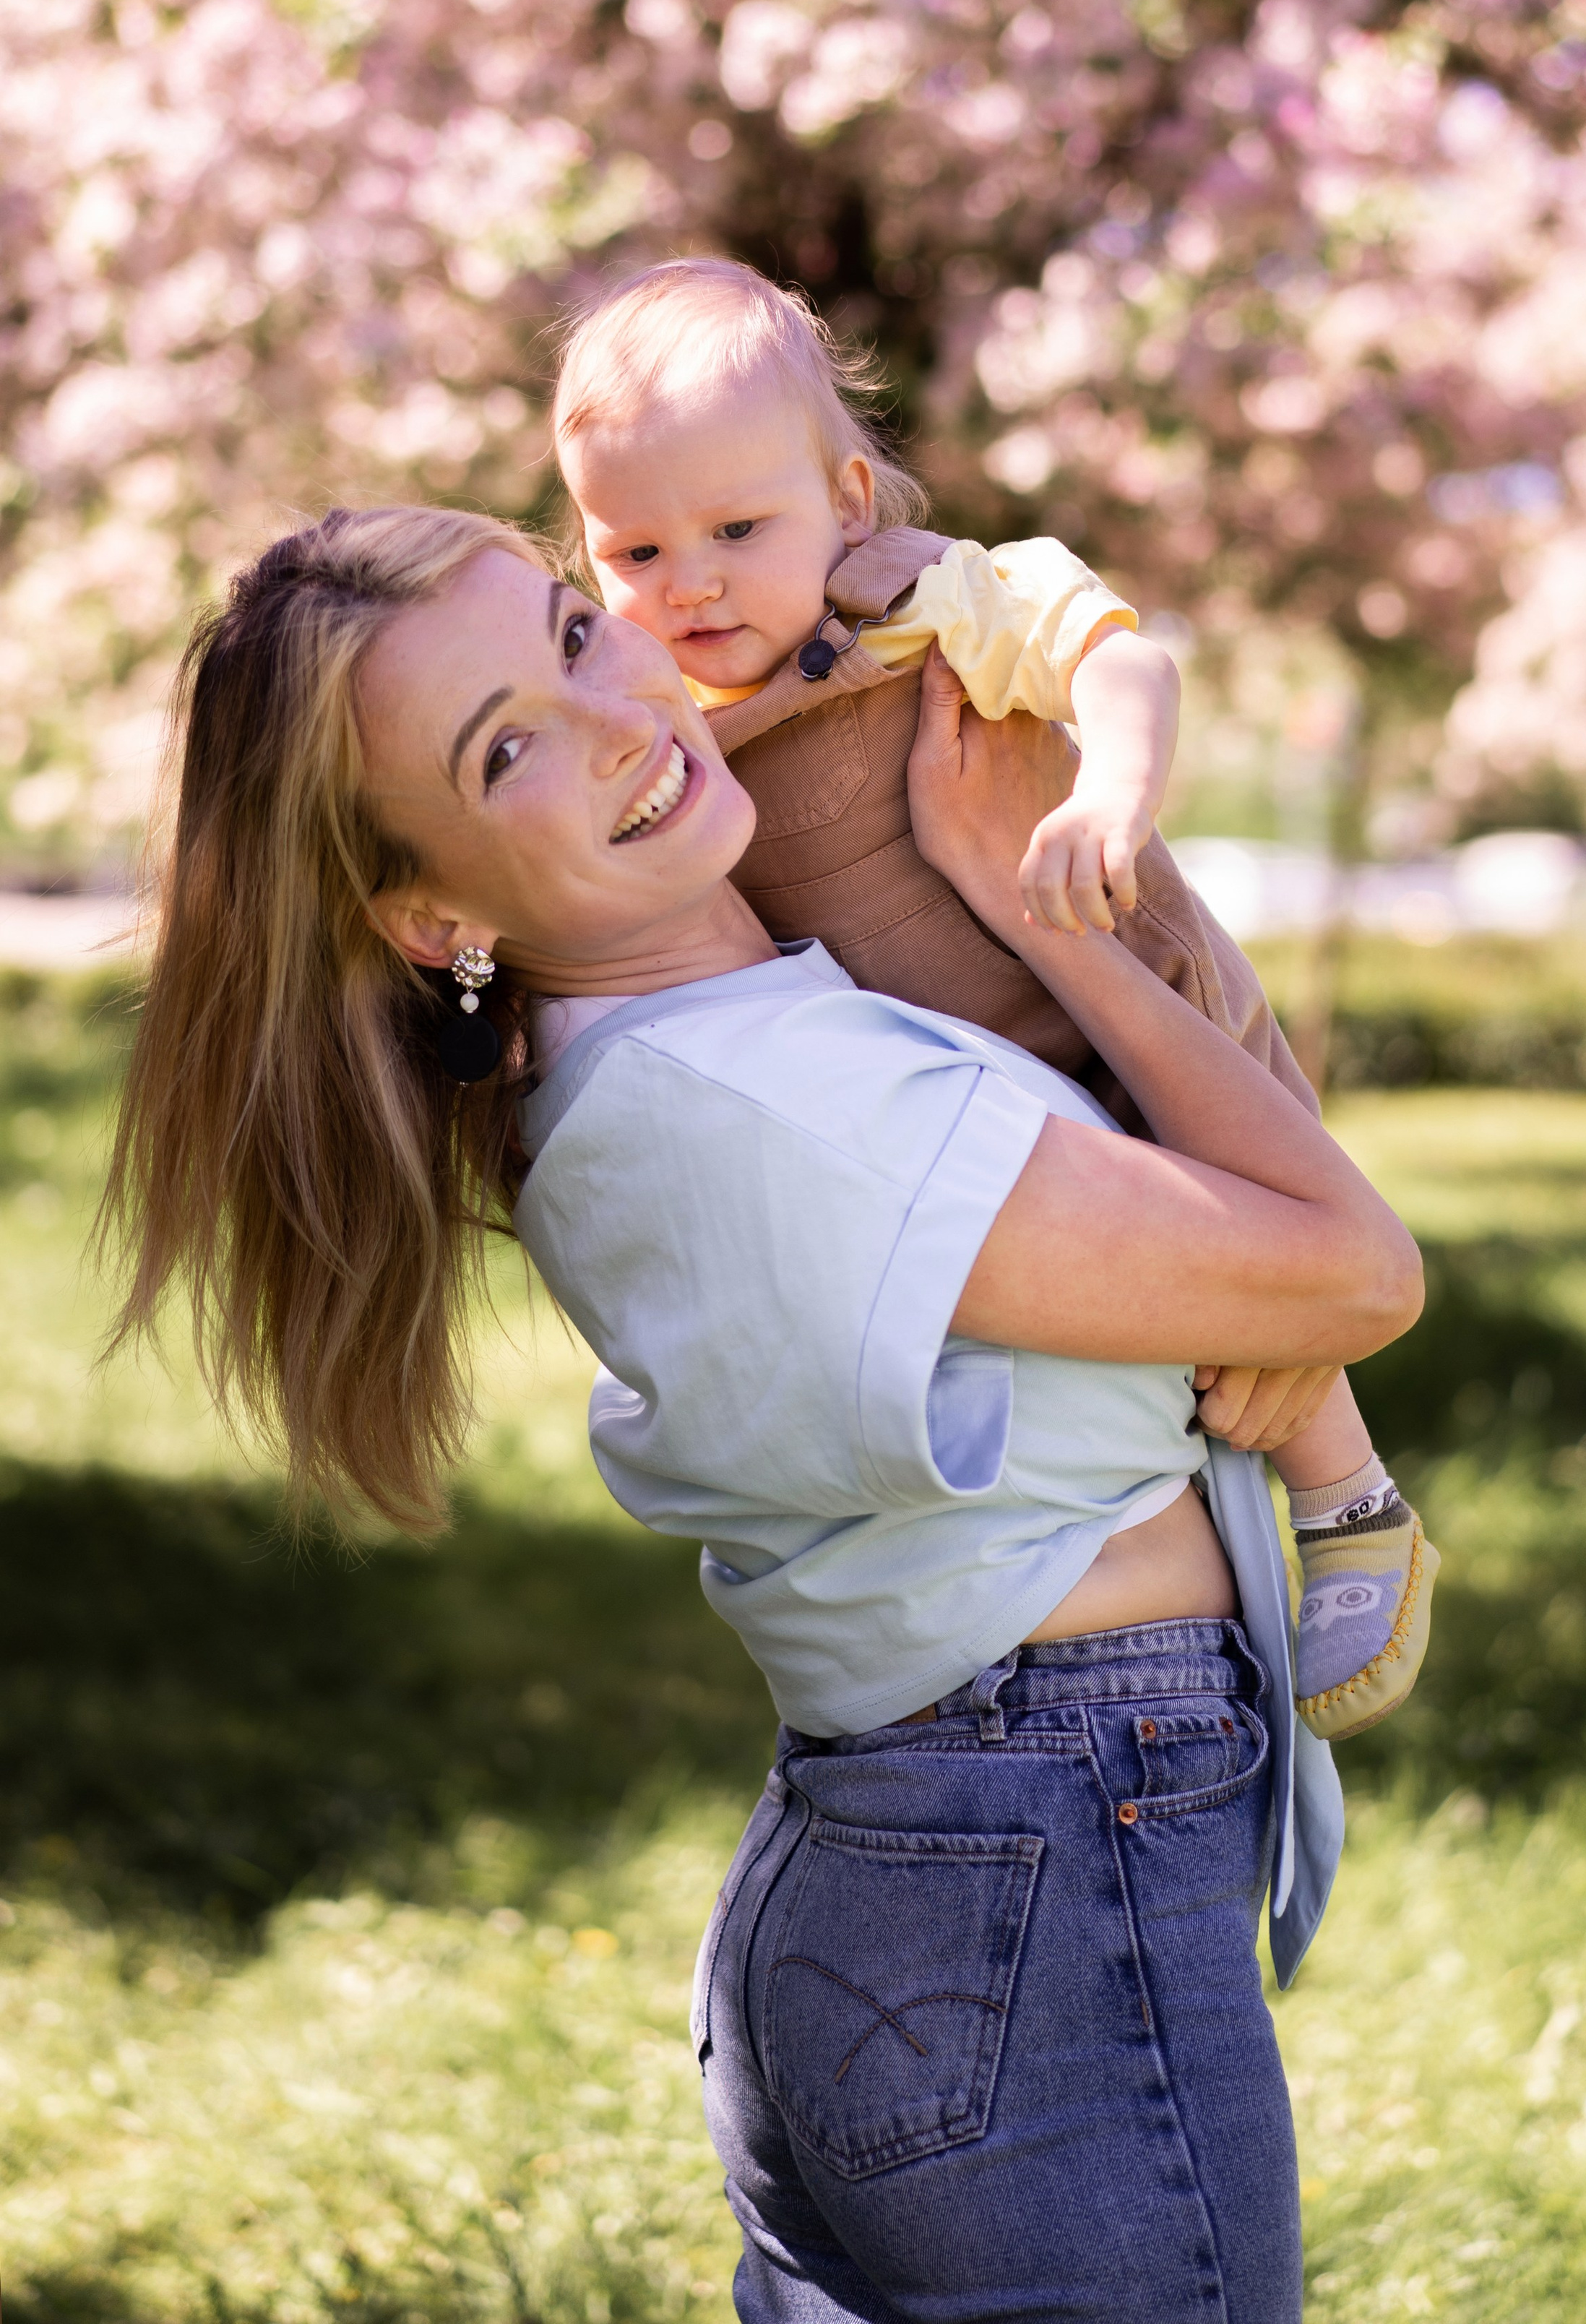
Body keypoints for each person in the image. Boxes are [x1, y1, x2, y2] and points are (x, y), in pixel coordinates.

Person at [105, 506, 1424, 2323]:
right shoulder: (776, 1110)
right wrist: (1030, 916)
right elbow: (1355, 1272)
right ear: (433, 912)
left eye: (576, 635)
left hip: (928, 1870)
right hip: (1037, 1848)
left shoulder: (680, 1061)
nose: (623, 716)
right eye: (506, 749)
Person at [551, 257, 1436, 1742]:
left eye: (735, 530)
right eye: (629, 550)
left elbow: (1119, 663)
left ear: (844, 498)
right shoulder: (660, 722)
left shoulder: (927, 600)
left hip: (1101, 979)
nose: (685, 583)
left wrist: (1107, 793)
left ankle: (1348, 1498)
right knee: (1156, 1290)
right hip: (966, 1084)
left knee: (1253, 1256)